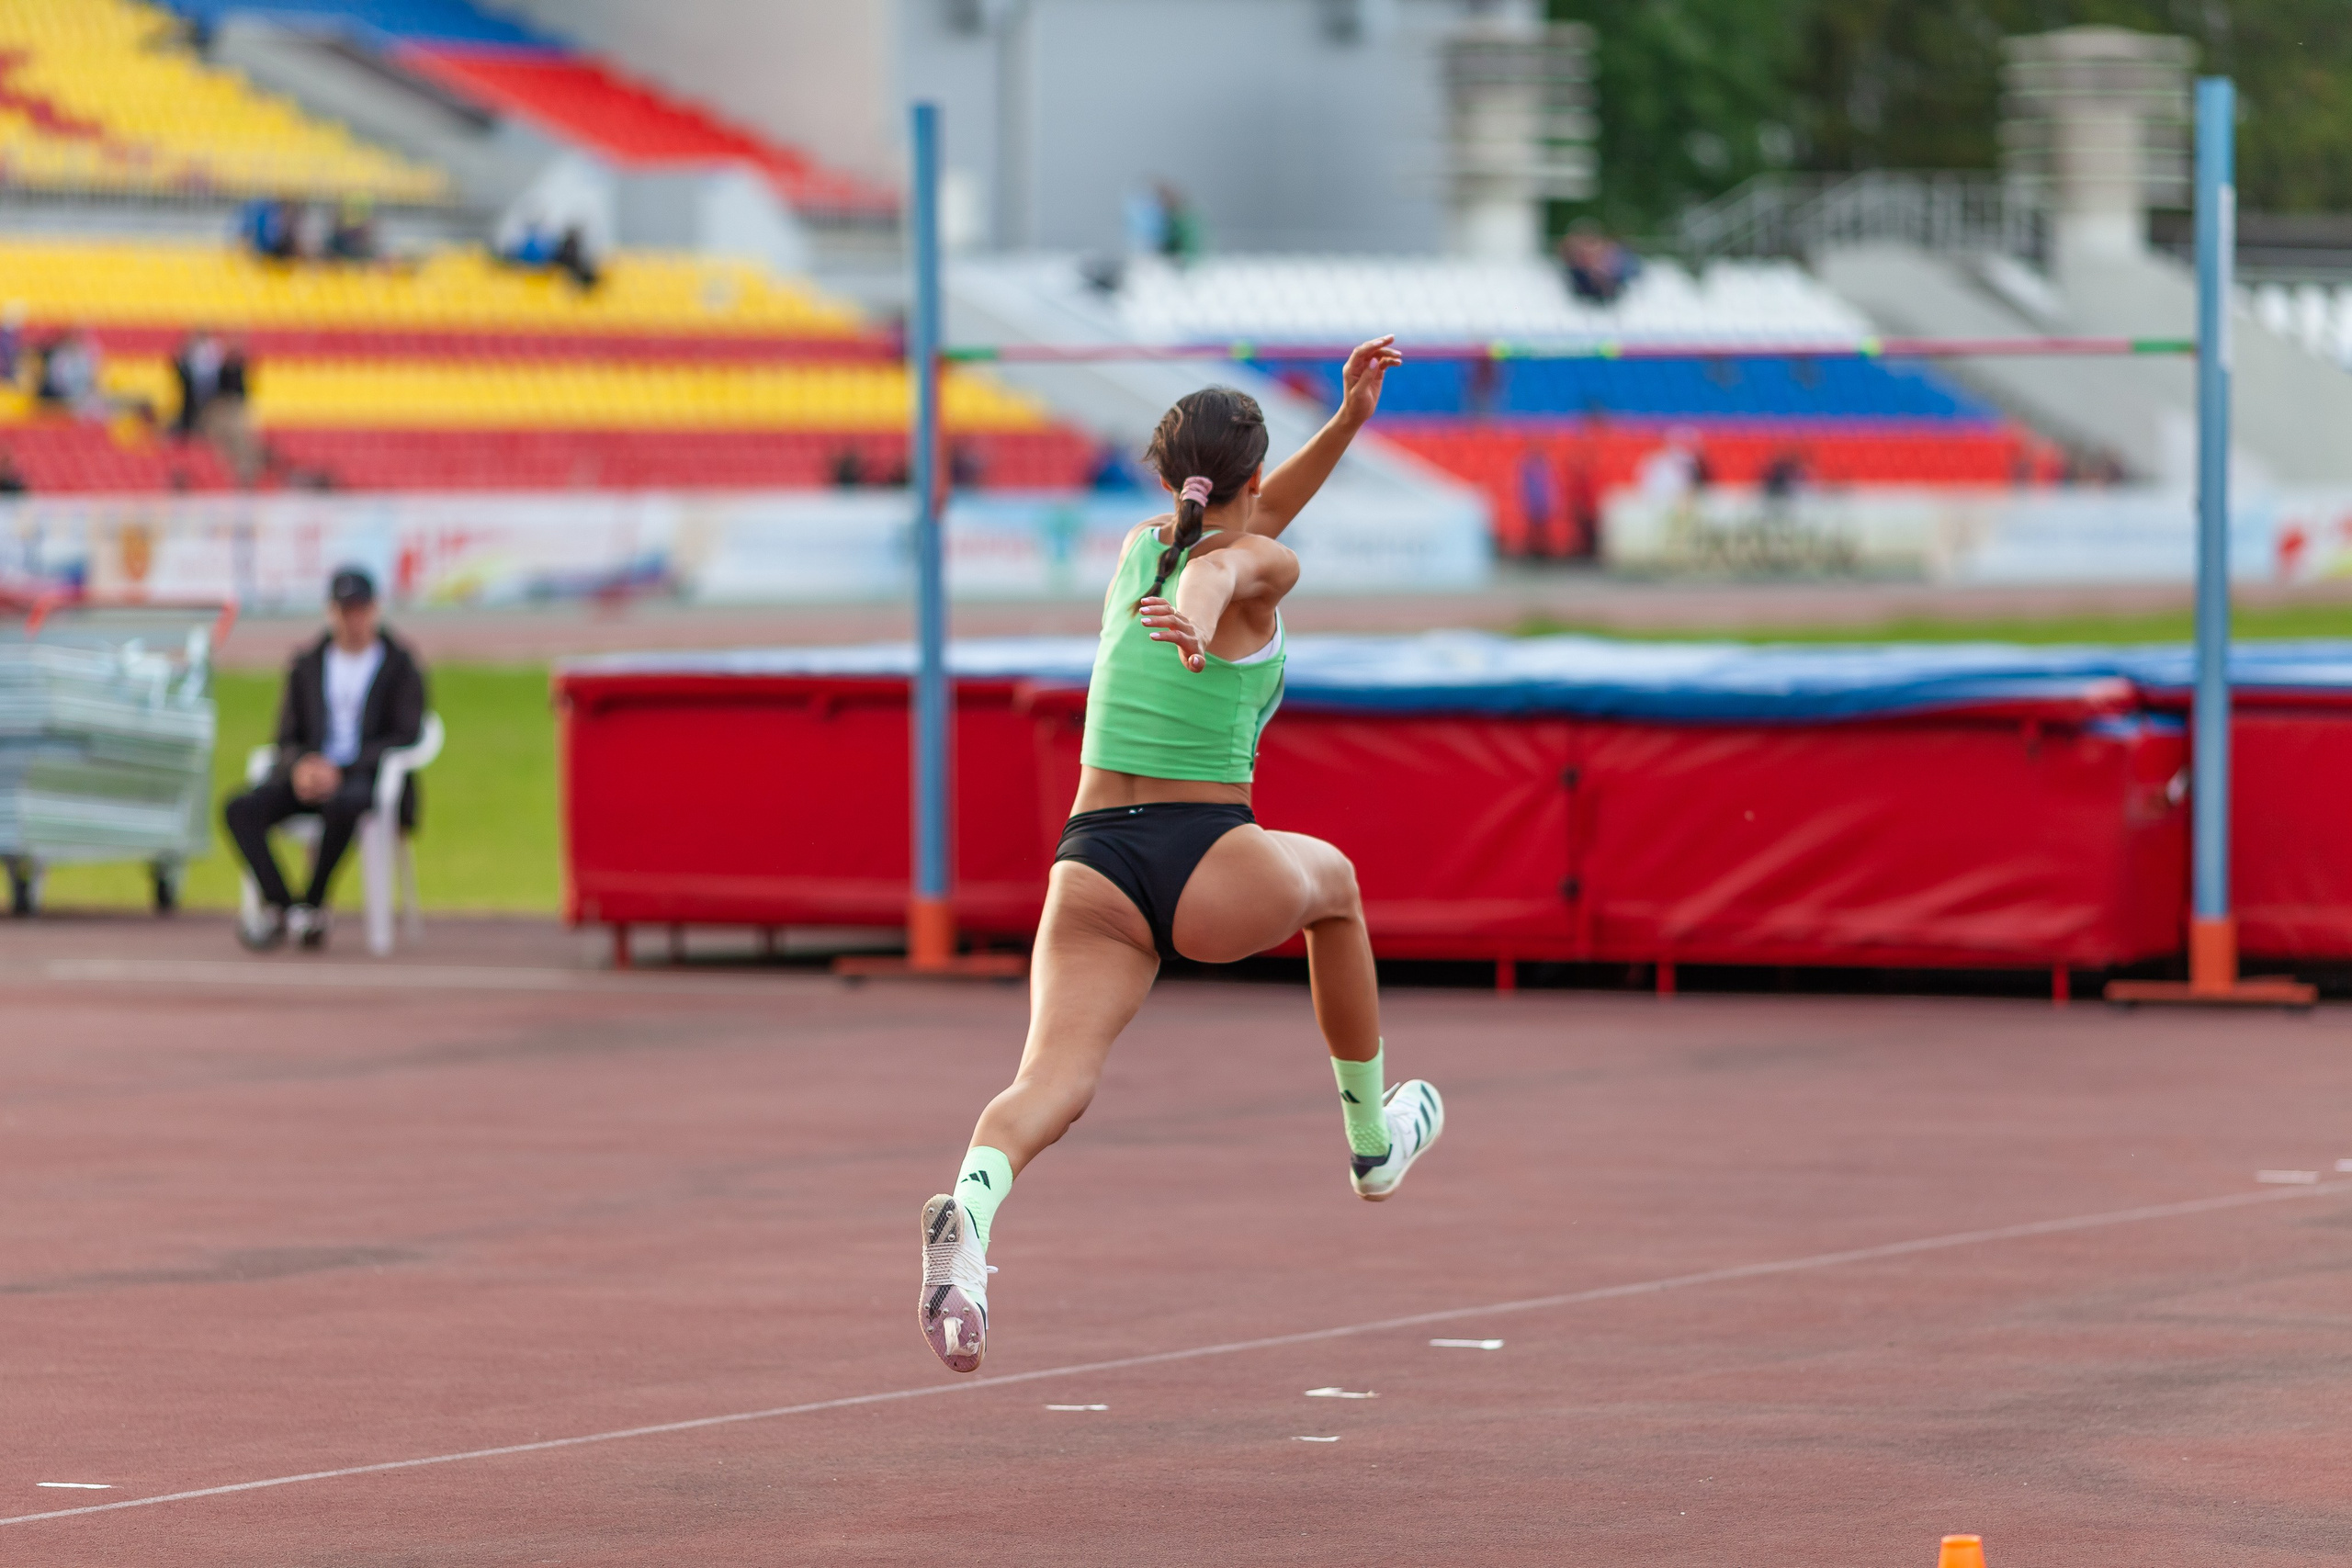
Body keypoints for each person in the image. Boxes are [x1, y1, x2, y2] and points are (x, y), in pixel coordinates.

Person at [916, 336, 1442, 1376]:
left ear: (1173, 479)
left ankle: (970, 1220)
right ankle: (1371, 1145)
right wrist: (1197, 625)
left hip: (1090, 865)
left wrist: (1347, 422)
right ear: (1252, 474)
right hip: (1206, 859)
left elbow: (1232, 534)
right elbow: (1234, 562)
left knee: (1051, 1079)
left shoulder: (1136, 549)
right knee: (1336, 889)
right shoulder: (1259, 565)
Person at [224, 568, 426, 951]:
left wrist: (342, 770)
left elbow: (406, 733)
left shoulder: (400, 665)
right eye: (344, 610)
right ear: (330, 612)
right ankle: (286, 907)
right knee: (239, 809)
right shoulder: (308, 663)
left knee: (345, 804)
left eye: (360, 609)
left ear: (374, 609)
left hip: (362, 778)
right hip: (309, 775)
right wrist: (301, 766)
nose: (353, 619)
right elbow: (285, 736)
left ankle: (313, 901)